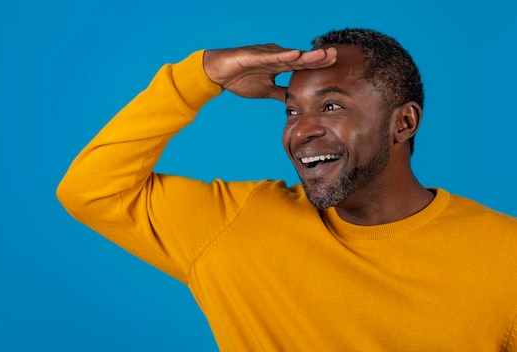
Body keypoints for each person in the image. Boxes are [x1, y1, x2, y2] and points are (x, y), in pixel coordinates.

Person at [57, 28, 517, 351]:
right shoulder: (236, 224)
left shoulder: (505, 256)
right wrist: (201, 76)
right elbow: (91, 189)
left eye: (331, 105)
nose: (301, 132)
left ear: (404, 122)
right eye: (292, 111)